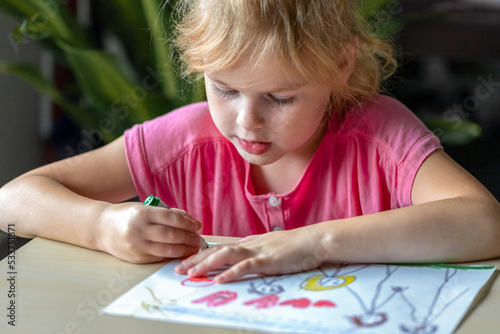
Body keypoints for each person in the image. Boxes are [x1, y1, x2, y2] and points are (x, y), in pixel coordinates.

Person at [1, 0, 499, 284]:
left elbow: (484, 222)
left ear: (342, 65)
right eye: (224, 89)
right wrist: (101, 225)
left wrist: (312, 243)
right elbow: (12, 201)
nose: (246, 122)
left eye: (281, 97)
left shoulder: (380, 135)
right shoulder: (184, 139)